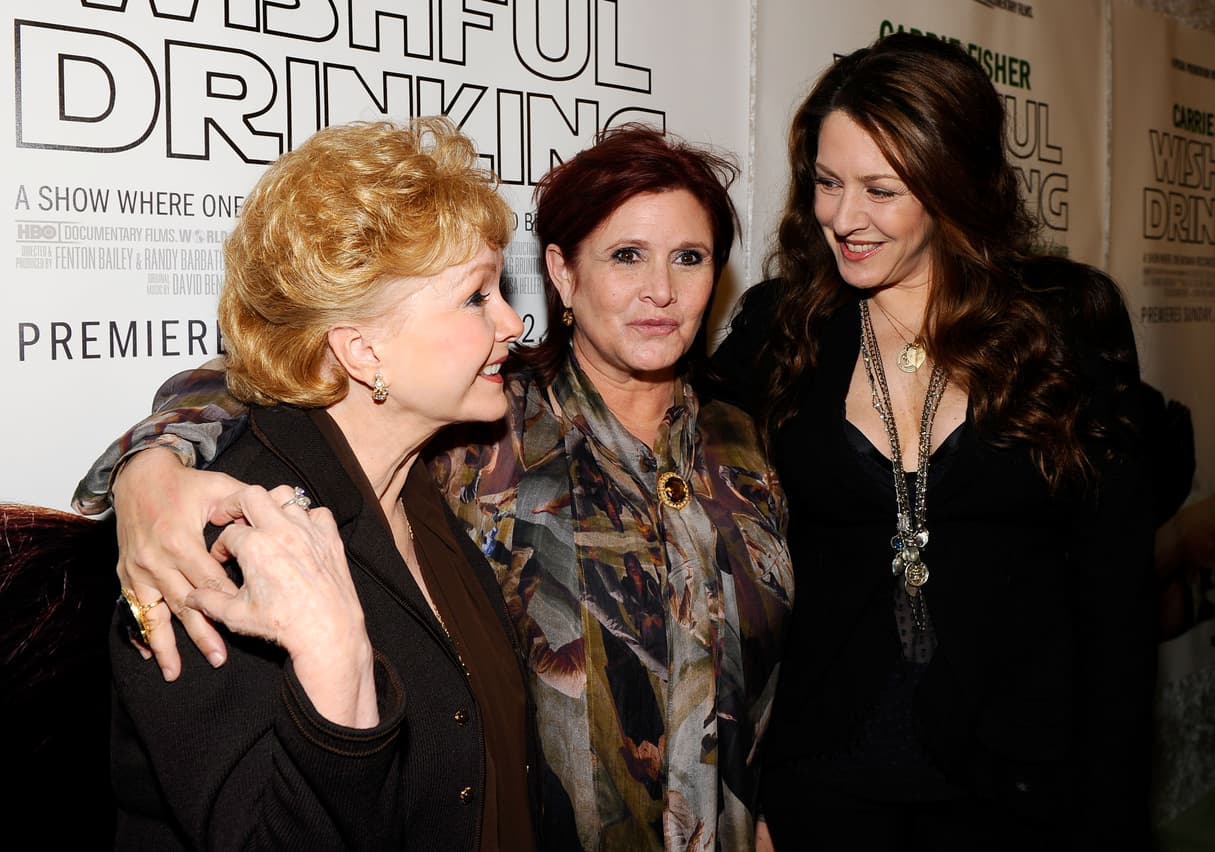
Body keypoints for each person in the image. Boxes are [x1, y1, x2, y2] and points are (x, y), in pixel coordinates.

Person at [74, 125, 793, 850]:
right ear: (565, 274)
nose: (661, 290)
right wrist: (151, 465)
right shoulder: (481, 440)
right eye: (627, 255)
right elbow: (259, 384)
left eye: (691, 258)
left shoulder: (741, 441)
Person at [710, 33, 1155, 850]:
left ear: (954, 184)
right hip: (823, 780)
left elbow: (1116, 608)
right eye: (828, 183)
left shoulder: (1065, 327)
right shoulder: (783, 328)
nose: (845, 218)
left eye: (882, 190)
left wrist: (1113, 815)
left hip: (1016, 786)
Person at [106, 117, 537, 849]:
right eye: (476, 297)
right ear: (362, 348)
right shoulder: (216, 542)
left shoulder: (420, 495)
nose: (513, 322)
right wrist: (337, 675)